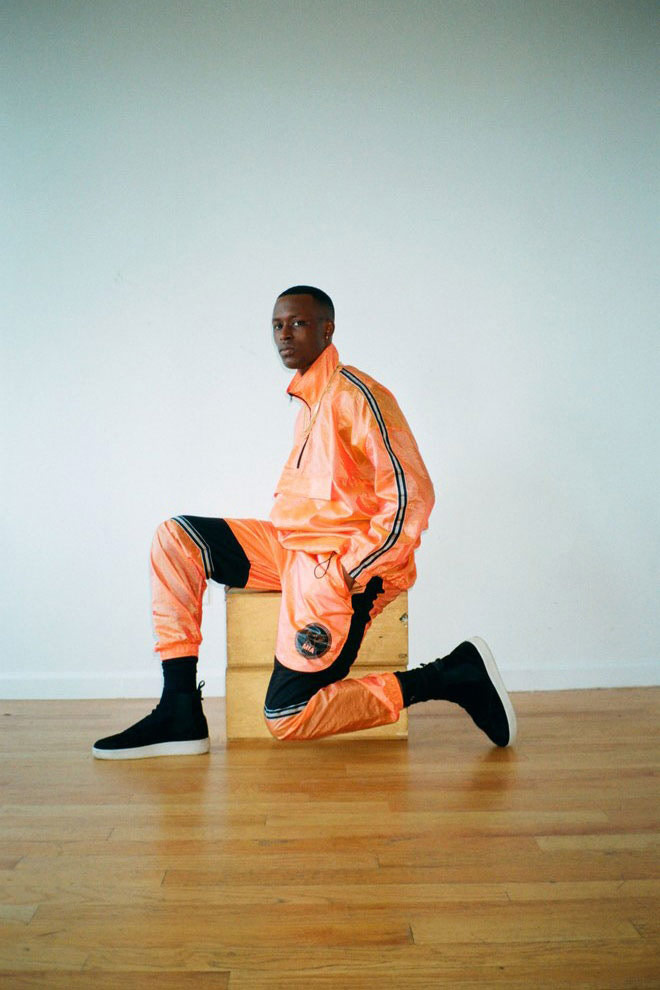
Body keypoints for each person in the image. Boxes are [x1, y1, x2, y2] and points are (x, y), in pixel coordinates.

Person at [93, 286, 516, 759]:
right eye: (277, 325)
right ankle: (179, 709)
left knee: (287, 715)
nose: (284, 334)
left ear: (327, 330)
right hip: (291, 549)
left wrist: (346, 572)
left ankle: (452, 676)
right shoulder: (311, 400)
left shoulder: (358, 395)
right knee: (178, 538)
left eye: (297, 323)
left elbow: (411, 498)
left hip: (336, 566)